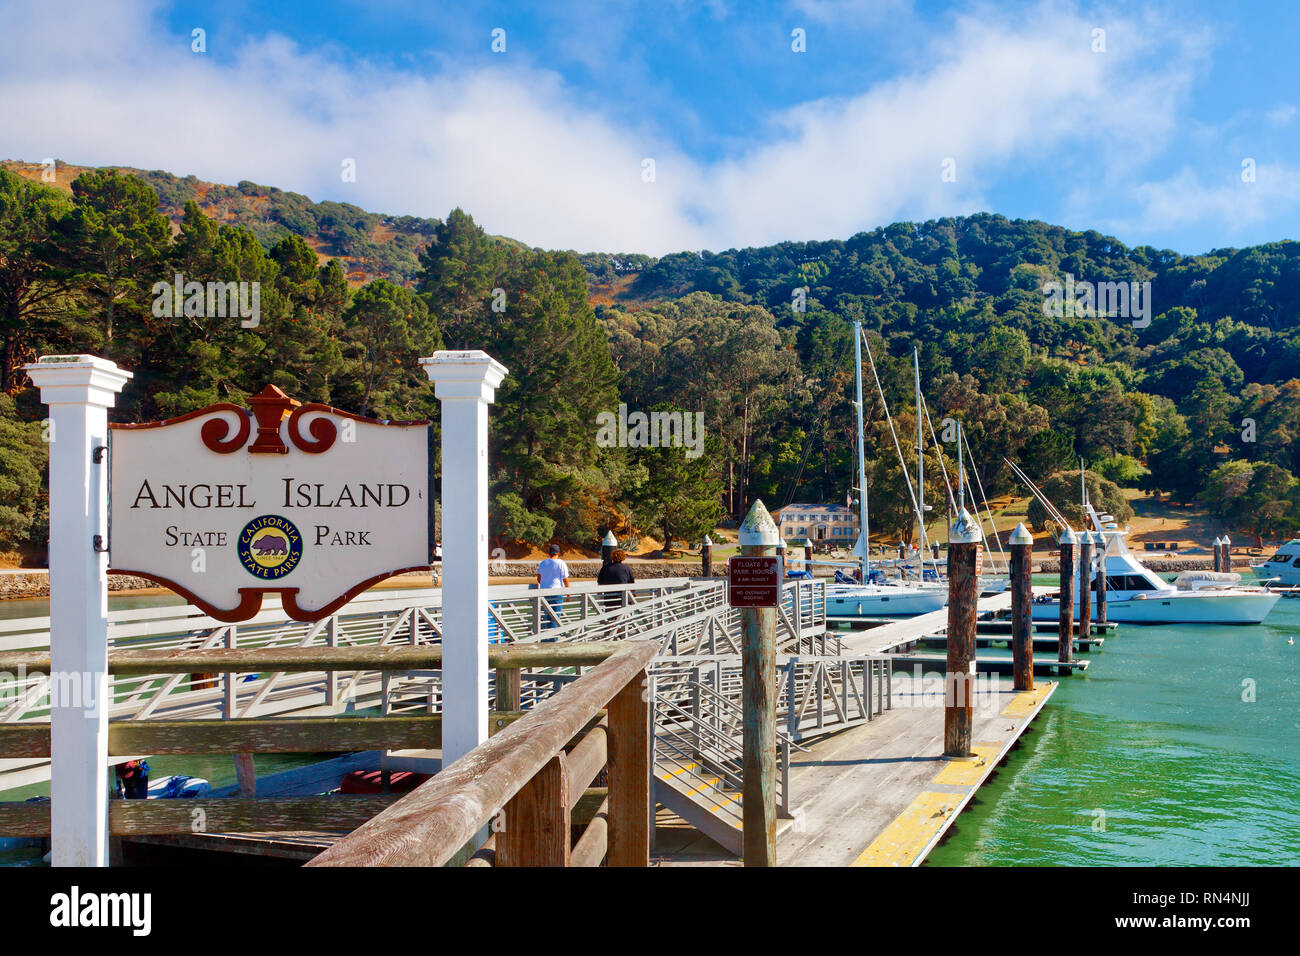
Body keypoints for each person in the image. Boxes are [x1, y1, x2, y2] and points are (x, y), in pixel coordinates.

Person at [536, 544, 570, 629]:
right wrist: (568, 593)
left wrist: (545, 583)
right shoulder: (561, 563)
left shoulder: (543, 563)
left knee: (547, 615)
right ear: (558, 553)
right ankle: (553, 639)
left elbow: (539, 579)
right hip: (557, 592)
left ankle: (547, 636)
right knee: (555, 616)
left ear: (549, 553)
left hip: (544, 592)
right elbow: (565, 580)